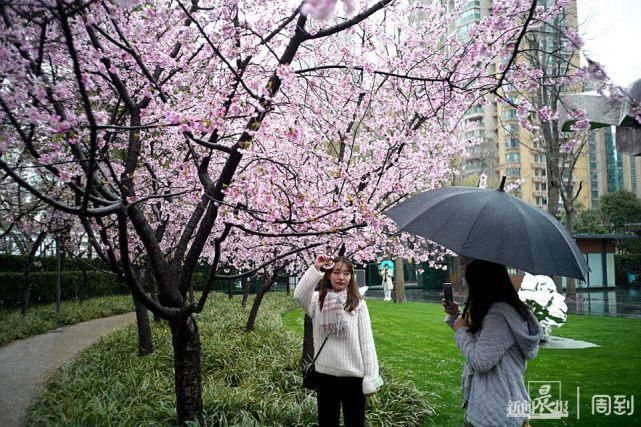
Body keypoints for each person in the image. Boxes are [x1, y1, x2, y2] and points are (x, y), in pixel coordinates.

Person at [443, 259, 541, 427]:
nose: (468, 288)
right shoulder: (499, 312)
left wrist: (460, 331)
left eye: (470, 283)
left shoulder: (499, 317)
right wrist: (456, 316)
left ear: (483, 284)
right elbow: (480, 341)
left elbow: (481, 362)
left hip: (498, 410)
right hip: (494, 403)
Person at [295, 255, 382, 427]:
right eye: (336, 272)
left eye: (346, 273)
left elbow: (367, 343)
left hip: (353, 378)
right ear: (328, 275)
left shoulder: (357, 304)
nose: (341, 278)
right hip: (325, 376)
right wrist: (315, 268)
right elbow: (299, 295)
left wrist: (370, 379)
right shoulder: (316, 301)